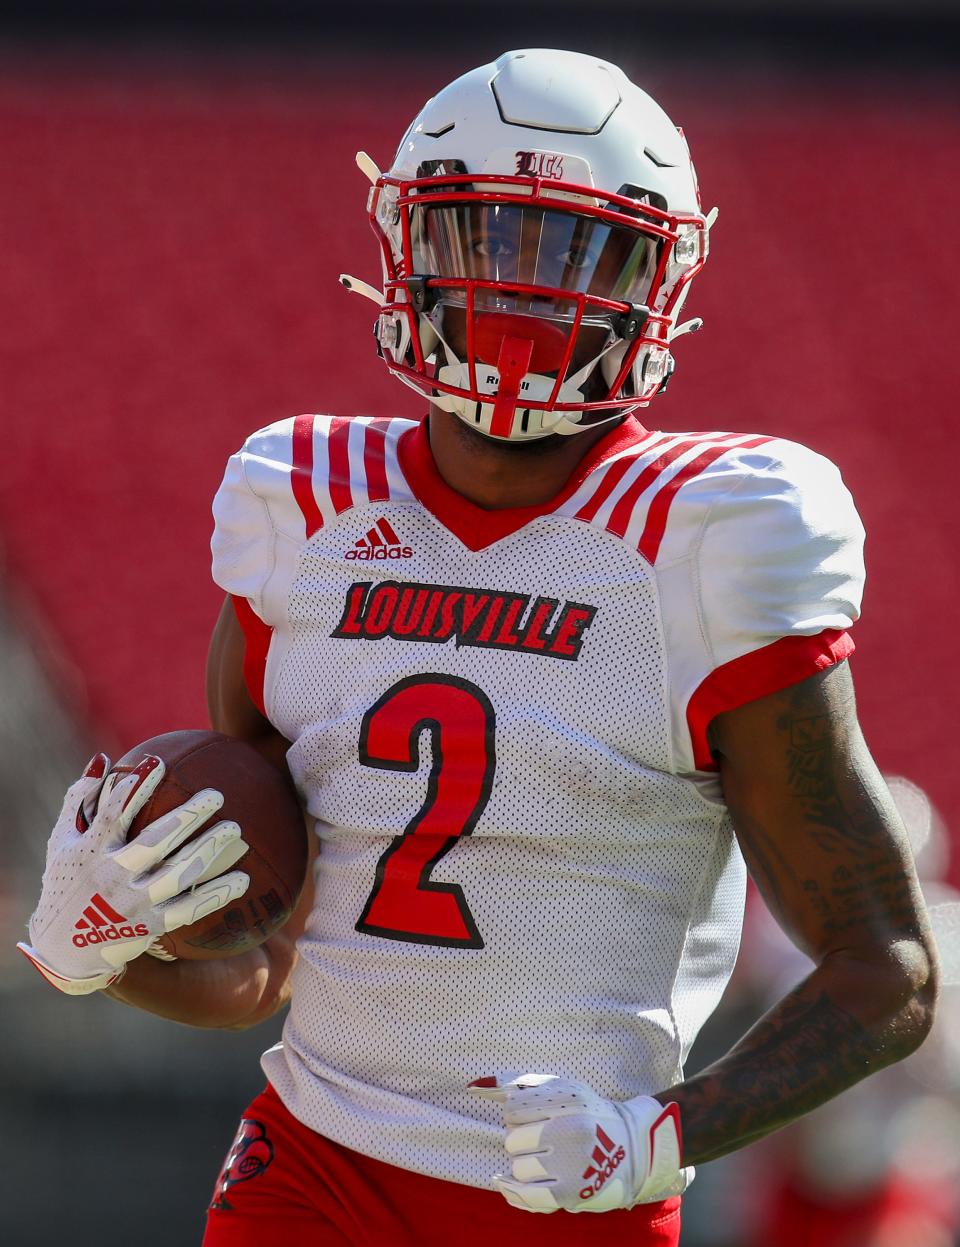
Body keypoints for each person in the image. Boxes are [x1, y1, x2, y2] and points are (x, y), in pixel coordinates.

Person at [17, 48, 939, 1247]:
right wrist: (93, 952)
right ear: (412, 253)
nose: (528, 292)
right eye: (491, 241)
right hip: (312, 1167)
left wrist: (654, 1135)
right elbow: (268, 958)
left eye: (576, 252)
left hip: (562, 1205)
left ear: (656, 279)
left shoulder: (707, 539)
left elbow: (889, 970)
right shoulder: (308, 506)